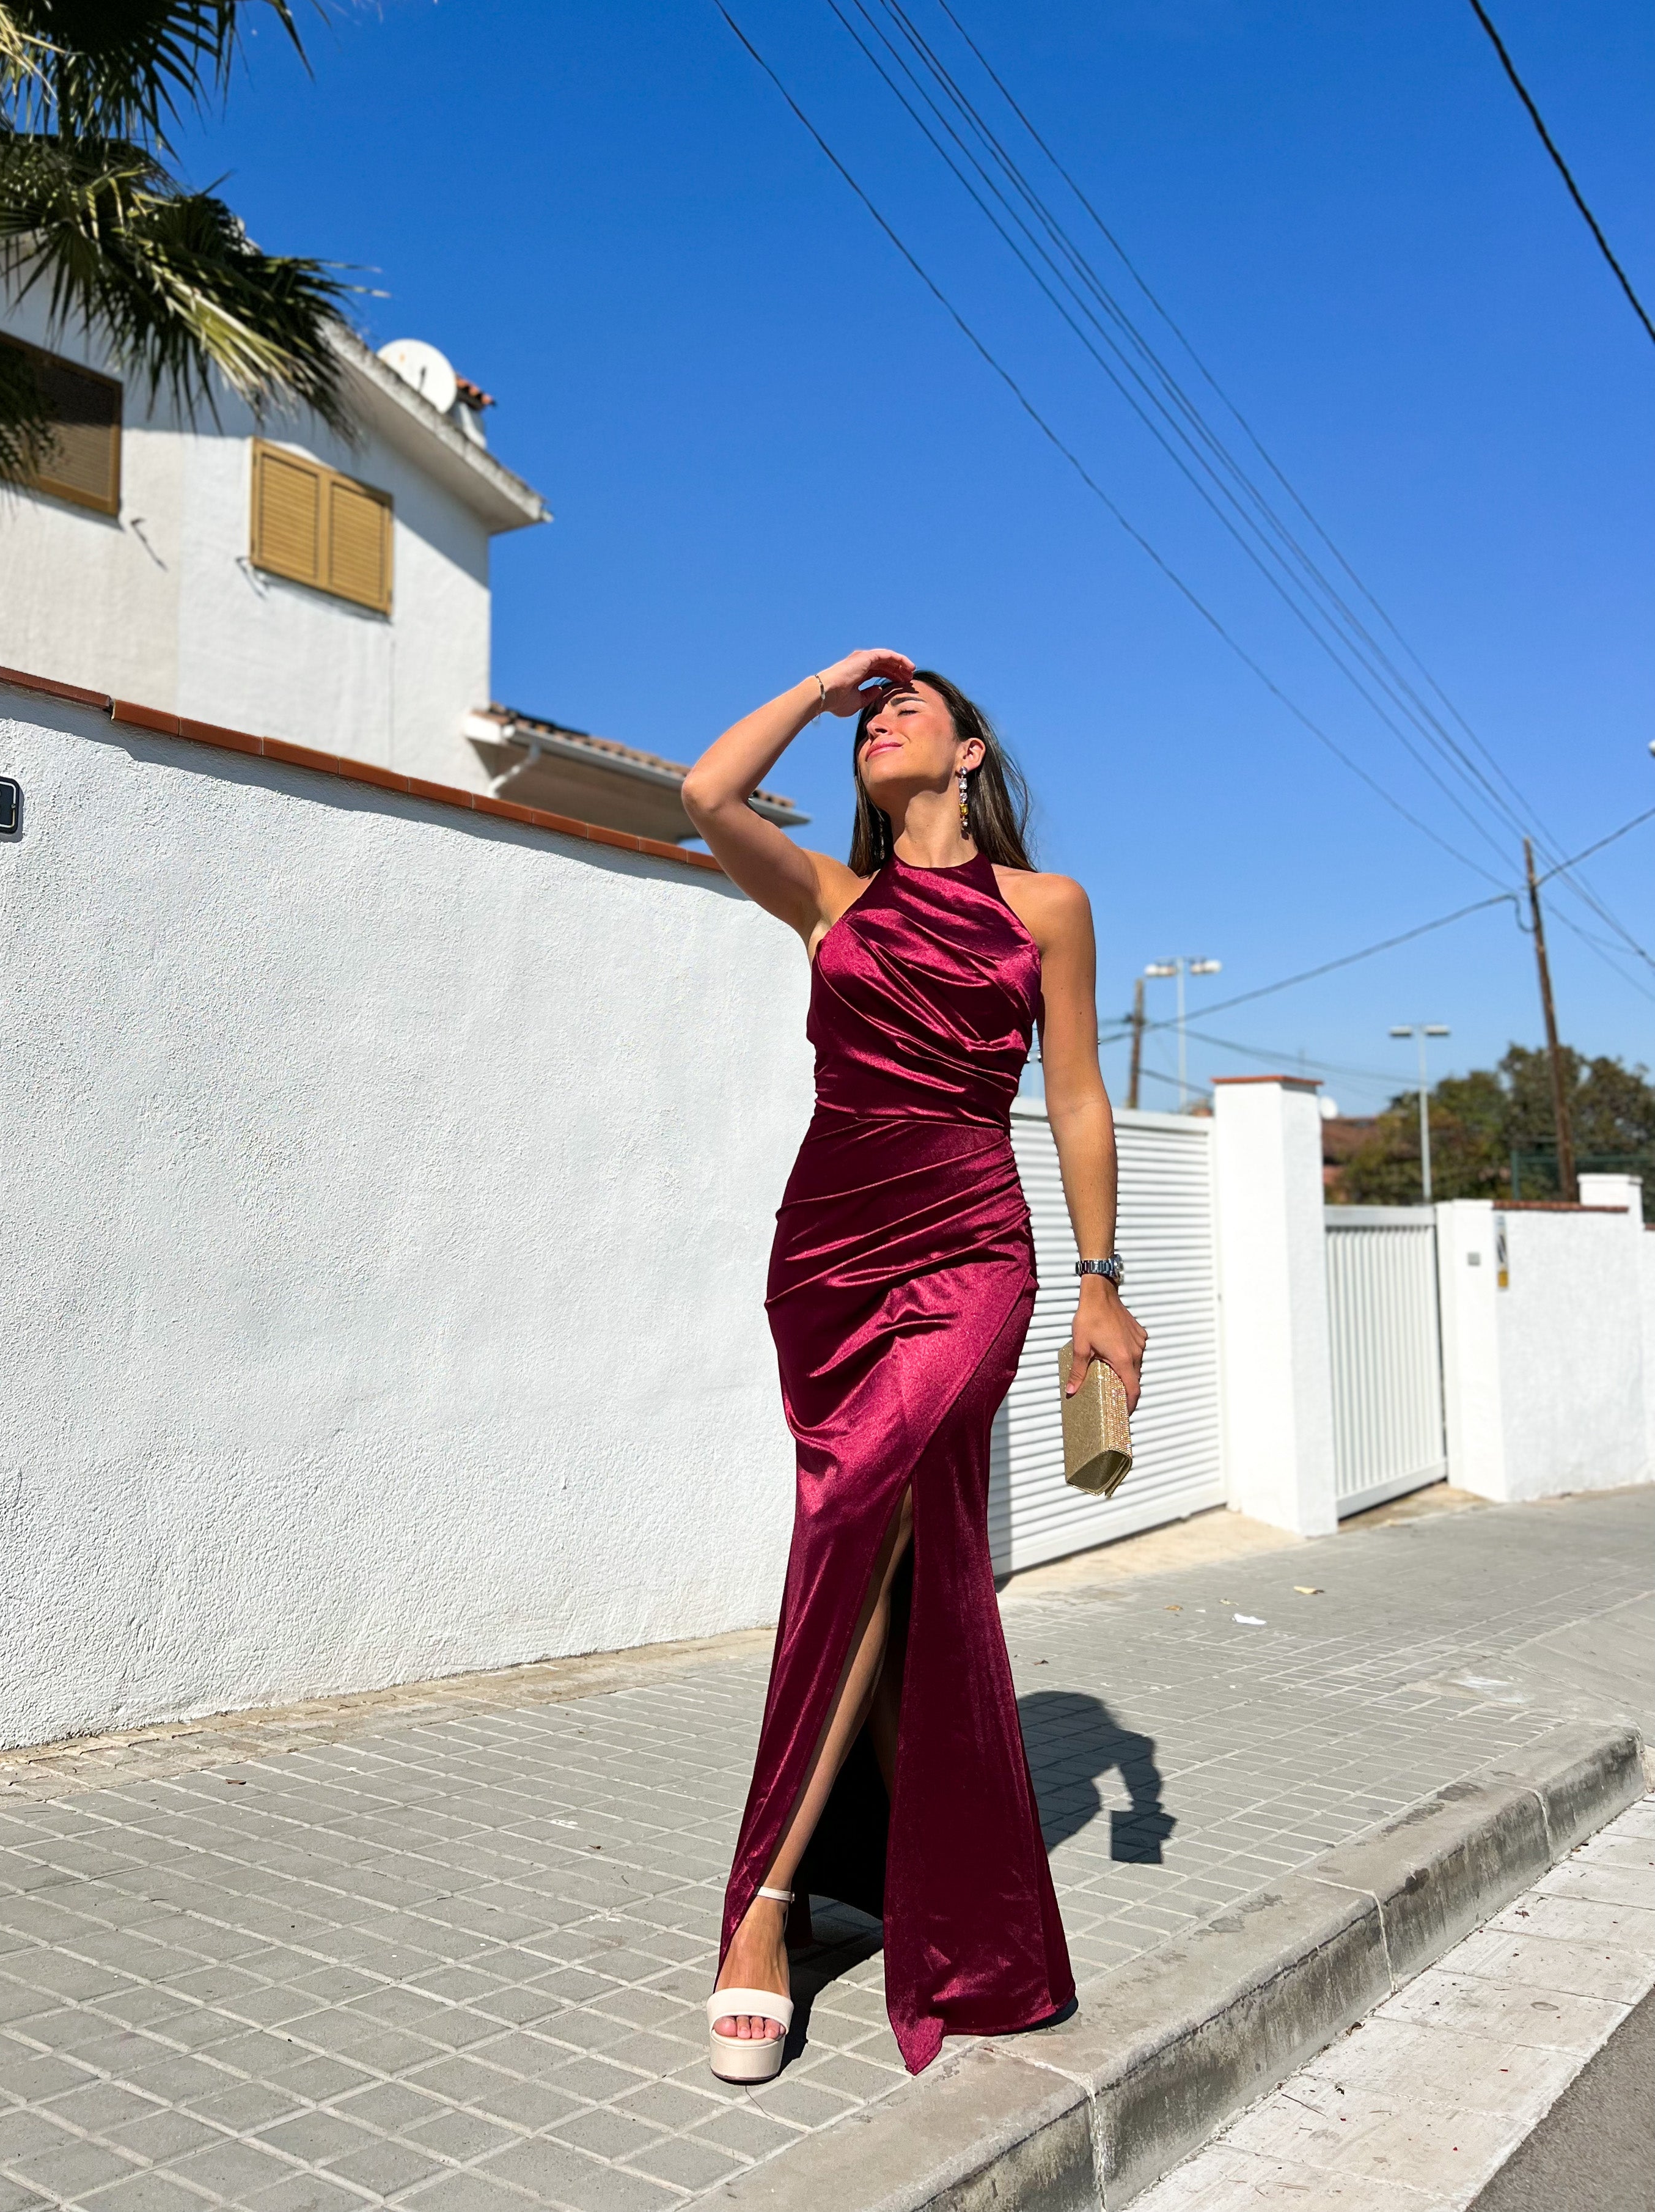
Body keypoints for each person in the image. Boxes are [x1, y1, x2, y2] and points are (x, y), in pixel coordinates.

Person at [681, 649, 1147, 2082]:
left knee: (857, 1511)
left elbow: (1073, 1093)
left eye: (909, 707)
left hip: (972, 1246)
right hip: (827, 1246)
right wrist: (822, 684)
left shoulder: (1046, 909)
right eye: (866, 718)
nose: (881, 721)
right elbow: (707, 792)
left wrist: (1100, 1282)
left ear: (968, 755)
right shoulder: (833, 895)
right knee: (879, 1540)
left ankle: (759, 1908)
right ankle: (877, 1879)